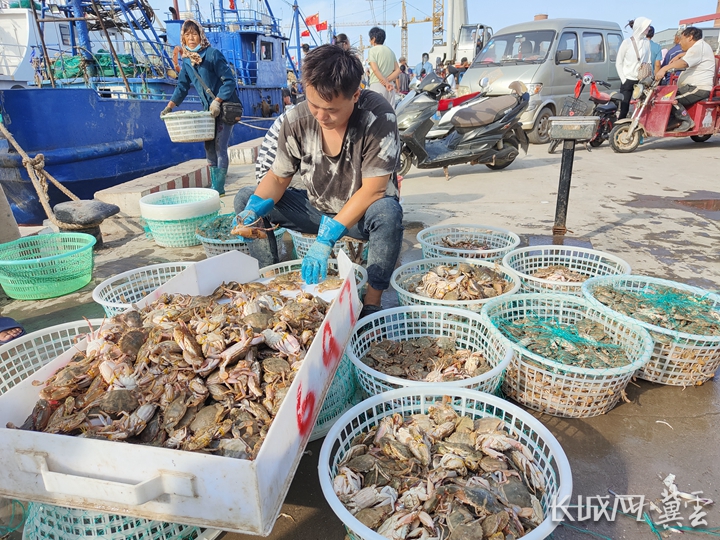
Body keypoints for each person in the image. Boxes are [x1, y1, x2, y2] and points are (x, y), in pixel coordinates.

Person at [234, 44, 403, 319]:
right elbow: (278, 177)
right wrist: (253, 209)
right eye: (314, 105)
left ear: (356, 95)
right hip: (317, 209)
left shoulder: (378, 117)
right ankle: (268, 285)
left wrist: (327, 239)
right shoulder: (297, 119)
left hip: (359, 215)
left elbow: (375, 189)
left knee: (388, 212)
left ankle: (371, 303)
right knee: (245, 198)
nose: (321, 116)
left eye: (331, 109)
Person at [161, 20, 241, 196]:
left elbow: (229, 81)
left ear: (200, 35)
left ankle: (219, 187)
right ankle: (215, 185)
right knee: (209, 148)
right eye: (187, 35)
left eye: (194, 34)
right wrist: (169, 107)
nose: (191, 38)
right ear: (183, 37)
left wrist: (217, 100)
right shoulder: (188, 62)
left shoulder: (213, 54)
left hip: (225, 107)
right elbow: (182, 87)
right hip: (208, 112)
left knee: (220, 146)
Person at [655, 26, 716, 132]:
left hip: (699, 88)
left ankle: (687, 121)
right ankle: (673, 121)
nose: (680, 43)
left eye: (682, 39)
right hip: (690, 87)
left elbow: (684, 62)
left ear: (690, 37)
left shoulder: (698, 47)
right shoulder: (699, 47)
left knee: (670, 99)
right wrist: (682, 54)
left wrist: (664, 68)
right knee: (665, 96)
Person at [615, 16, 652, 120]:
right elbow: (619, 62)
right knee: (624, 107)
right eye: (647, 26)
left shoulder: (646, 43)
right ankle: (620, 128)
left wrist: (649, 78)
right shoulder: (627, 42)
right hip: (627, 79)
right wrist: (623, 79)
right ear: (641, 27)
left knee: (641, 107)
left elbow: (648, 62)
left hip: (641, 80)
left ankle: (636, 129)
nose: (649, 28)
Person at [366, 26, 401, 104]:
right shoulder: (390, 51)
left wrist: (384, 82)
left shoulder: (372, 51)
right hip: (390, 86)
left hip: (377, 85)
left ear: (374, 39)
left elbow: (375, 69)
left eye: (370, 38)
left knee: (376, 112)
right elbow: (398, 70)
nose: (369, 41)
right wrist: (387, 81)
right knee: (390, 113)